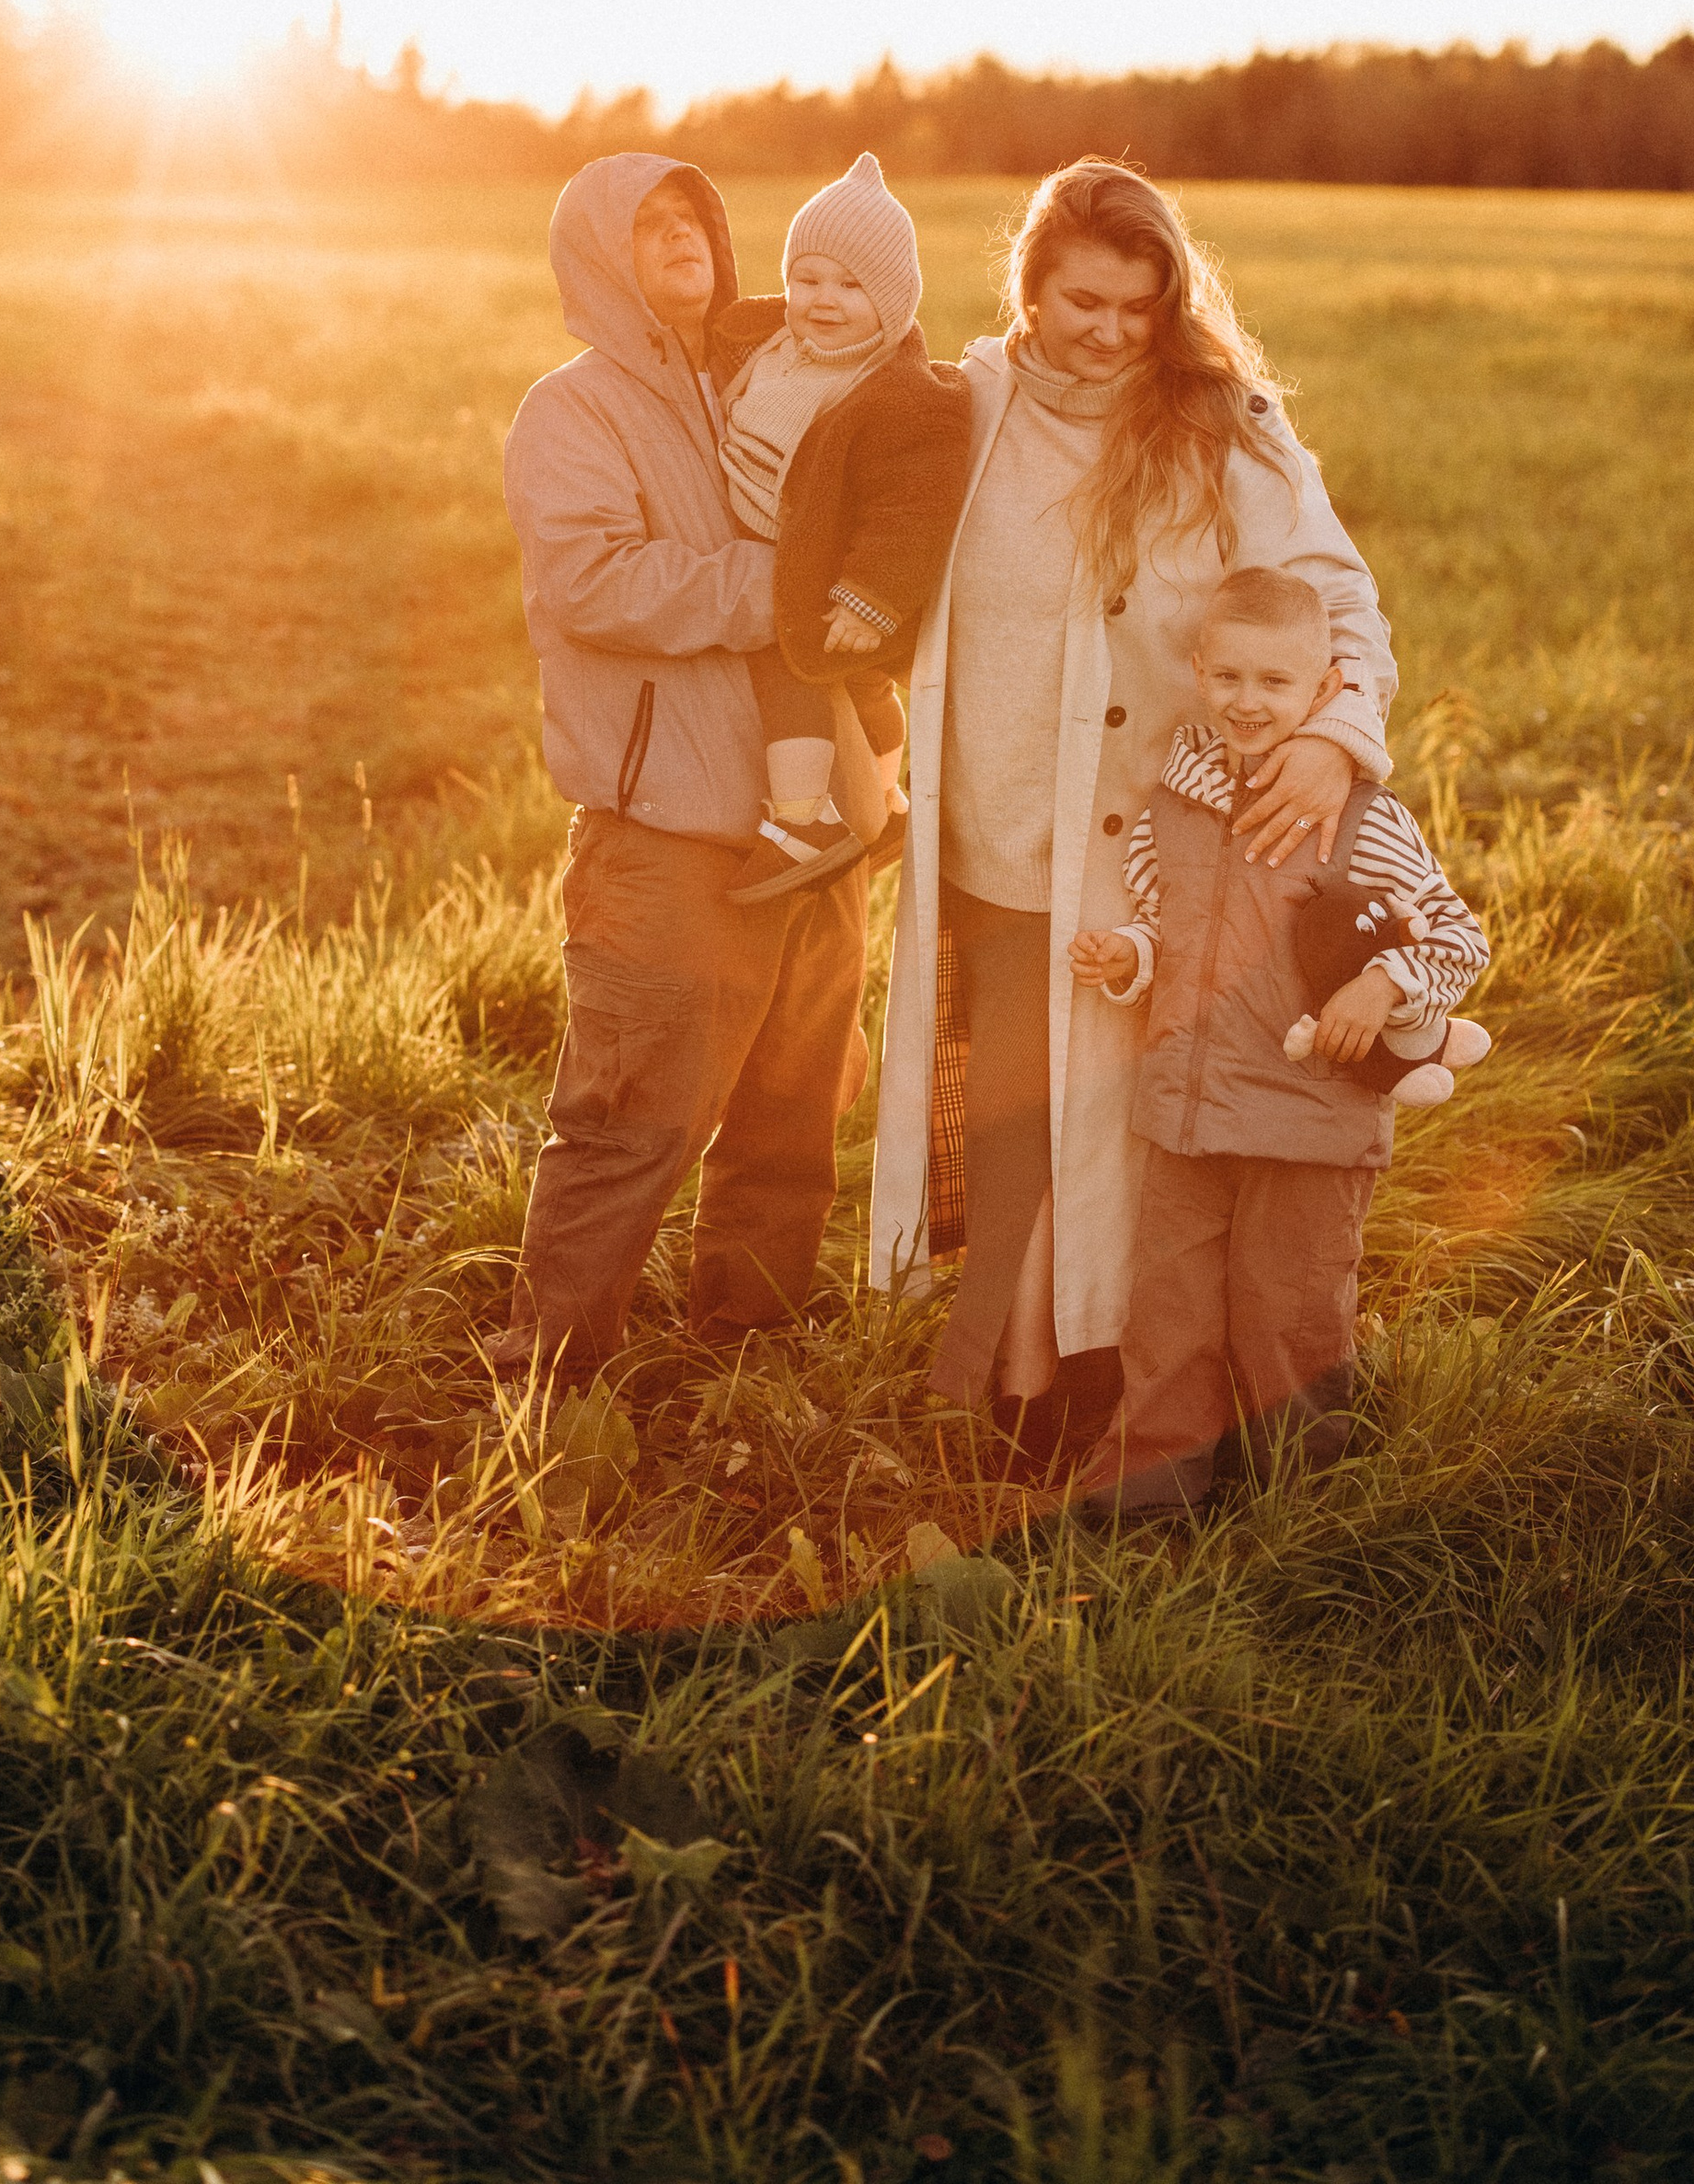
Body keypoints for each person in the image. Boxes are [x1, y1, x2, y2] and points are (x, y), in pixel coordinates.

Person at [867, 157, 1402, 1466]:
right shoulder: (965, 406)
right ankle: (1017, 1377)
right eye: (1082, 302)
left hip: (1155, 839)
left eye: (1138, 308)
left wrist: (1338, 734)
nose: (1109, 333)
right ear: (1029, 289)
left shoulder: (1229, 426)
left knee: (1123, 1122)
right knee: (1010, 1121)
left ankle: (1132, 1385)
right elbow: (806, 386)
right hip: (989, 833)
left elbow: (1340, 598)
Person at [495, 154, 874, 1377]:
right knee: (628, 1116)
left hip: (816, 819)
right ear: (601, 259)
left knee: (791, 1107)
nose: (678, 239)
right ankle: (554, 1371)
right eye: (646, 227)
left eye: (693, 219)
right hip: (668, 823)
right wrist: (785, 592)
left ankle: (750, 1345)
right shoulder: (573, 411)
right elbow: (592, 580)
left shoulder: (774, 377)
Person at [1067, 566, 1492, 1516]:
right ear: (1197, 671)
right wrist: (1128, 957)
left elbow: (1458, 940)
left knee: (1287, 1319)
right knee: (1168, 1315)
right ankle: (1148, 1494)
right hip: (1186, 1115)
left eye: (1274, 684)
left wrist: (1382, 982)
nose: (1248, 702)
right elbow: (1166, 924)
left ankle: (1299, 1504)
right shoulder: (1168, 809)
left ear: (1324, 692)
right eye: (1229, 679)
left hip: (1310, 1122)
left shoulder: (1364, 818)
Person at [708, 153, 969, 903]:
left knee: (787, 662)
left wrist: (869, 594)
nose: (824, 300)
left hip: (823, 564)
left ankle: (803, 821)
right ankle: (887, 807)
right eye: (807, 279)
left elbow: (914, 506)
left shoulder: (901, 391)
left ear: (892, 298)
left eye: (851, 286)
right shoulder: (773, 341)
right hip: (774, 534)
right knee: (856, 690)